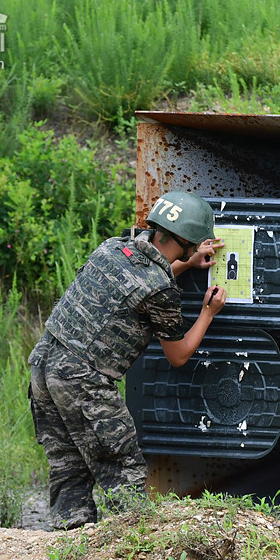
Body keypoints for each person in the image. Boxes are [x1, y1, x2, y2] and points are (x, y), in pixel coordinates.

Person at [27, 190, 226, 530]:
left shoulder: (112, 247)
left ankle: (67, 554)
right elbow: (178, 355)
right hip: (82, 381)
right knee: (125, 475)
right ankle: (137, 553)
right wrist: (208, 313)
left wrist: (186, 263)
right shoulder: (162, 290)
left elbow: (140, 281)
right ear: (190, 241)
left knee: (68, 468)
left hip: (44, 365)